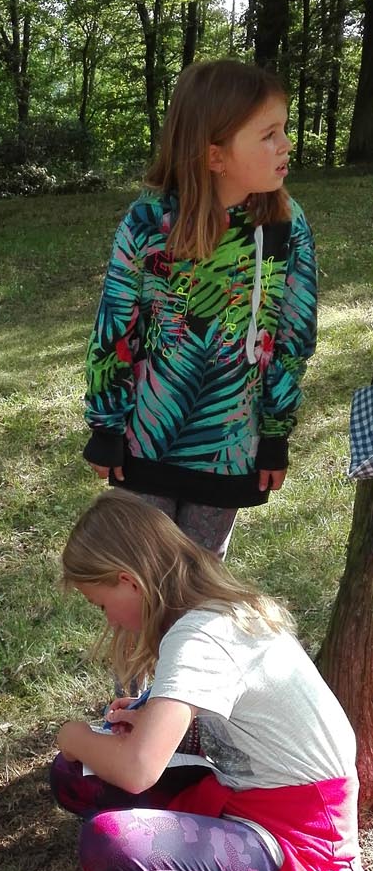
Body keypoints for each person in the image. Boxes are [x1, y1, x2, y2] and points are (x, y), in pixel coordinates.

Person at [50, 490, 373, 871]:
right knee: (74, 777)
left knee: (110, 844)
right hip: (258, 800)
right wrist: (150, 719)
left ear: (129, 580)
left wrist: (73, 735)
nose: (107, 618)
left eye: (101, 604)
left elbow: (138, 770)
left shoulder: (199, 635)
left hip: (299, 838)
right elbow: (234, 725)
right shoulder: (215, 612)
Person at [83, 59, 318, 559]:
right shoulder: (148, 221)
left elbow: (293, 337)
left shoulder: (285, 223)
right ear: (215, 155)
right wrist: (106, 426)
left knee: (200, 581)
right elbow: (114, 327)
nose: (286, 144)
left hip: (230, 448)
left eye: (284, 129)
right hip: (147, 441)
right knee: (144, 576)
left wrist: (275, 434)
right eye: (269, 134)